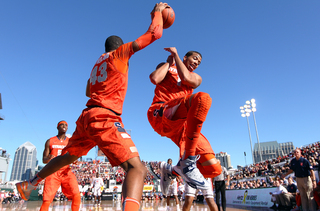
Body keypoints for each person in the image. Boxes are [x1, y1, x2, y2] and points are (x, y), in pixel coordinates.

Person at [16, 3, 168, 211]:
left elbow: (88, 91)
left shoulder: (97, 62)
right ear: (120, 46)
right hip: (104, 116)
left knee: (67, 157)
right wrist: (157, 12)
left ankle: (29, 183)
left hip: (87, 116)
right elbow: (155, 33)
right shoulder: (120, 55)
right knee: (137, 169)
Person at [149, 47, 222, 211]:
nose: (196, 62)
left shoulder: (195, 78)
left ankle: (173, 170)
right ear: (185, 57)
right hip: (162, 112)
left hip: (180, 123)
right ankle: (187, 162)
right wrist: (169, 63)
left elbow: (187, 77)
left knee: (213, 169)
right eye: (194, 58)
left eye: (199, 62)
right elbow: (154, 78)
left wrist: (175, 56)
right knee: (203, 99)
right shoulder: (169, 66)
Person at [40, 121, 81, 211]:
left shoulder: (70, 141)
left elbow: (73, 156)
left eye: (66, 125)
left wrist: (75, 161)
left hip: (66, 171)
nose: (64, 126)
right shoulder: (50, 141)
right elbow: (44, 160)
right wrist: (48, 158)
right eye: (62, 124)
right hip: (53, 171)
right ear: (57, 127)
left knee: (76, 195)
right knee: (47, 200)